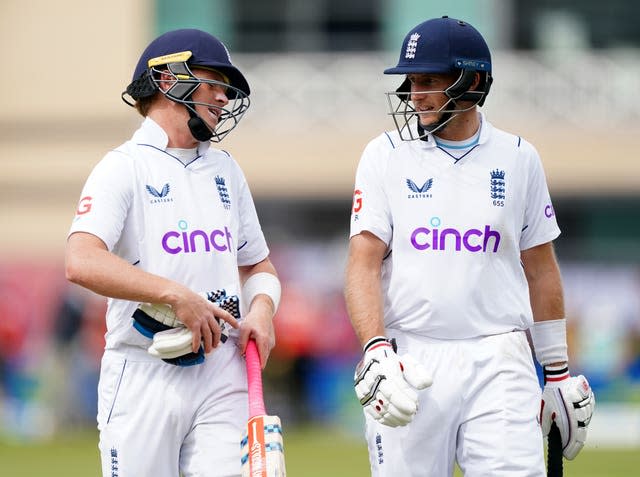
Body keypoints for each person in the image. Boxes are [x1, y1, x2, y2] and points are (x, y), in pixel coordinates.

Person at [344, 16, 595, 476]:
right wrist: (375, 350)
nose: (414, 94)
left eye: (429, 81)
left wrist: (556, 370)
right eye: (411, 81)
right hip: (411, 360)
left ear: (472, 81)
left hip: (500, 358)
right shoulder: (384, 155)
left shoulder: (519, 157)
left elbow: (541, 269)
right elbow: (362, 264)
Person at [65, 29, 281, 477]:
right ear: (169, 80)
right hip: (144, 369)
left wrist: (262, 309)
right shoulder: (122, 166)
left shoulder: (226, 168)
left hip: (222, 369)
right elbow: (81, 259)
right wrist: (175, 295)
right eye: (214, 82)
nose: (224, 97)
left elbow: (257, 265)